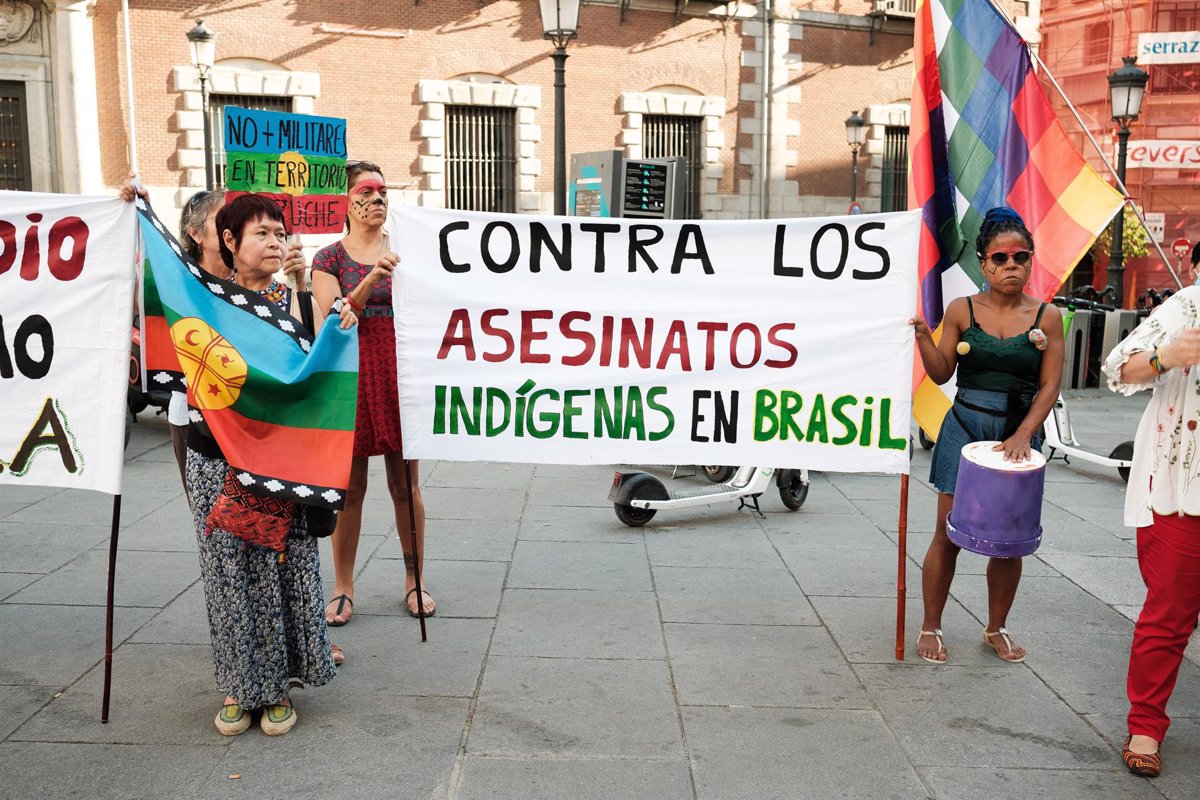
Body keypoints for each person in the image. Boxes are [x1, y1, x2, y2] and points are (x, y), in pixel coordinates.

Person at [188, 194, 356, 736]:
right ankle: (239, 684)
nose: (274, 242)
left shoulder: (296, 298)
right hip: (216, 454)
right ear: (229, 242)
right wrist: (134, 205)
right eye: (261, 233)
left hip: (280, 459)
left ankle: (279, 684)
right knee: (226, 572)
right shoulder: (203, 298)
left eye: (279, 233)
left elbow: (322, 360)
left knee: (278, 569)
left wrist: (329, 314)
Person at [909, 207, 1064, 665]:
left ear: (1031, 260)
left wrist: (1024, 434)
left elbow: (1051, 385)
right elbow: (941, 373)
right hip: (965, 428)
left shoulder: (1048, 316)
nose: (1011, 265)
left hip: (1019, 431)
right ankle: (930, 626)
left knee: (1009, 537)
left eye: (1021, 256)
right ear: (983, 262)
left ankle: (996, 627)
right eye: (1001, 258)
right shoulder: (962, 310)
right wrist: (923, 337)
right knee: (946, 531)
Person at [311, 160, 435, 624]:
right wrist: (368, 281)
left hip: (401, 377)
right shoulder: (328, 259)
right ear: (348, 201)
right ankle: (343, 586)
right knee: (351, 488)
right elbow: (330, 321)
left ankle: (414, 578)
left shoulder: (410, 250)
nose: (377, 200)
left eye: (383, 193)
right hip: (352, 379)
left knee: (406, 485)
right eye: (367, 192)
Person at [1103, 279, 1200, 777]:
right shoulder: (1187, 306)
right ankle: (1145, 724)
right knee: (1169, 614)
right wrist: (1168, 353)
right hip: (1184, 492)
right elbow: (1119, 369)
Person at [120, 180, 229, 495]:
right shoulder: (176, 277)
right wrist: (141, 210)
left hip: (244, 414)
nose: (231, 227)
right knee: (205, 512)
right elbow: (138, 296)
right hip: (191, 413)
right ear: (196, 234)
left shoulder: (250, 275)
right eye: (222, 219)